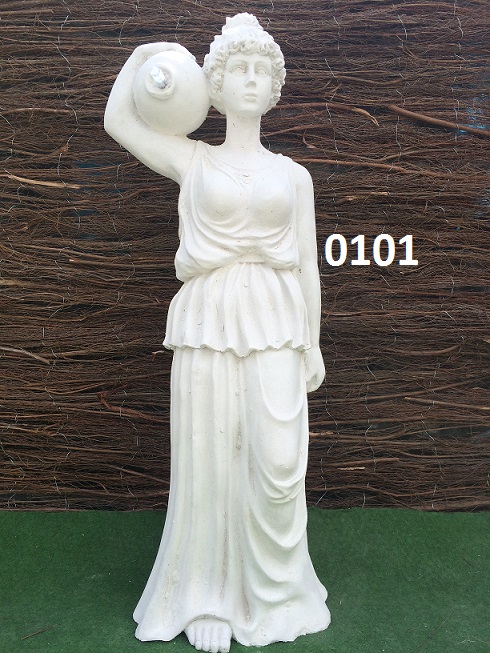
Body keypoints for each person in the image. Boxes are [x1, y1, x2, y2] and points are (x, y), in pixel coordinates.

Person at [104, 13, 330, 653]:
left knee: (278, 461)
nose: (251, 80)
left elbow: (308, 263)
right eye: (239, 70)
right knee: (209, 455)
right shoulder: (194, 160)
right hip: (209, 315)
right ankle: (206, 595)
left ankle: (276, 594)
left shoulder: (294, 176)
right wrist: (147, 55)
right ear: (217, 86)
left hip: (277, 317)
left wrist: (313, 341)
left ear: (274, 87)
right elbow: (119, 121)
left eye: (262, 70)